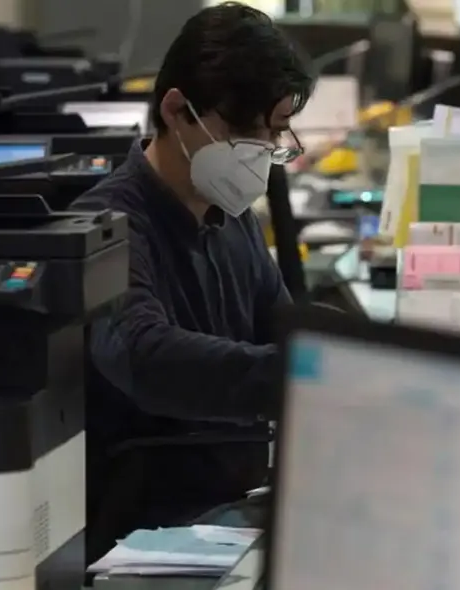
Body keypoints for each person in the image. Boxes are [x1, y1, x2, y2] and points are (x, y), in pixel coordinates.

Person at [70, 2, 315, 562]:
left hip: (234, 507)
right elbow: (142, 353)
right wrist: (296, 376)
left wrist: (352, 356)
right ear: (178, 111)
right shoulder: (107, 227)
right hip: (154, 529)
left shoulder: (233, 221)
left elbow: (284, 330)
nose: (260, 152)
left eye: (273, 133)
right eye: (244, 133)